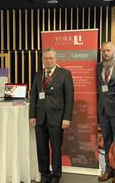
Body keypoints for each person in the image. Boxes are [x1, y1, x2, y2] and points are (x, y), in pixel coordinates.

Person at [29, 47, 74, 183]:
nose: (48, 61)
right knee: (41, 149)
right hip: (40, 118)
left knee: (55, 150)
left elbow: (69, 98)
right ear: (42, 60)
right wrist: (32, 116)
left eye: (51, 58)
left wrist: (67, 118)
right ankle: (44, 174)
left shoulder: (65, 74)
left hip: (57, 119)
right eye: (46, 58)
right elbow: (33, 97)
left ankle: (55, 175)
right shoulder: (38, 75)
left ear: (55, 59)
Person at [96, 42, 115, 183]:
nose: (106, 53)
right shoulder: (98, 66)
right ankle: (108, 170)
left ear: (114, 50)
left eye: (108, 50)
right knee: (106, 141)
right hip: (103, 110)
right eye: (104, 51)